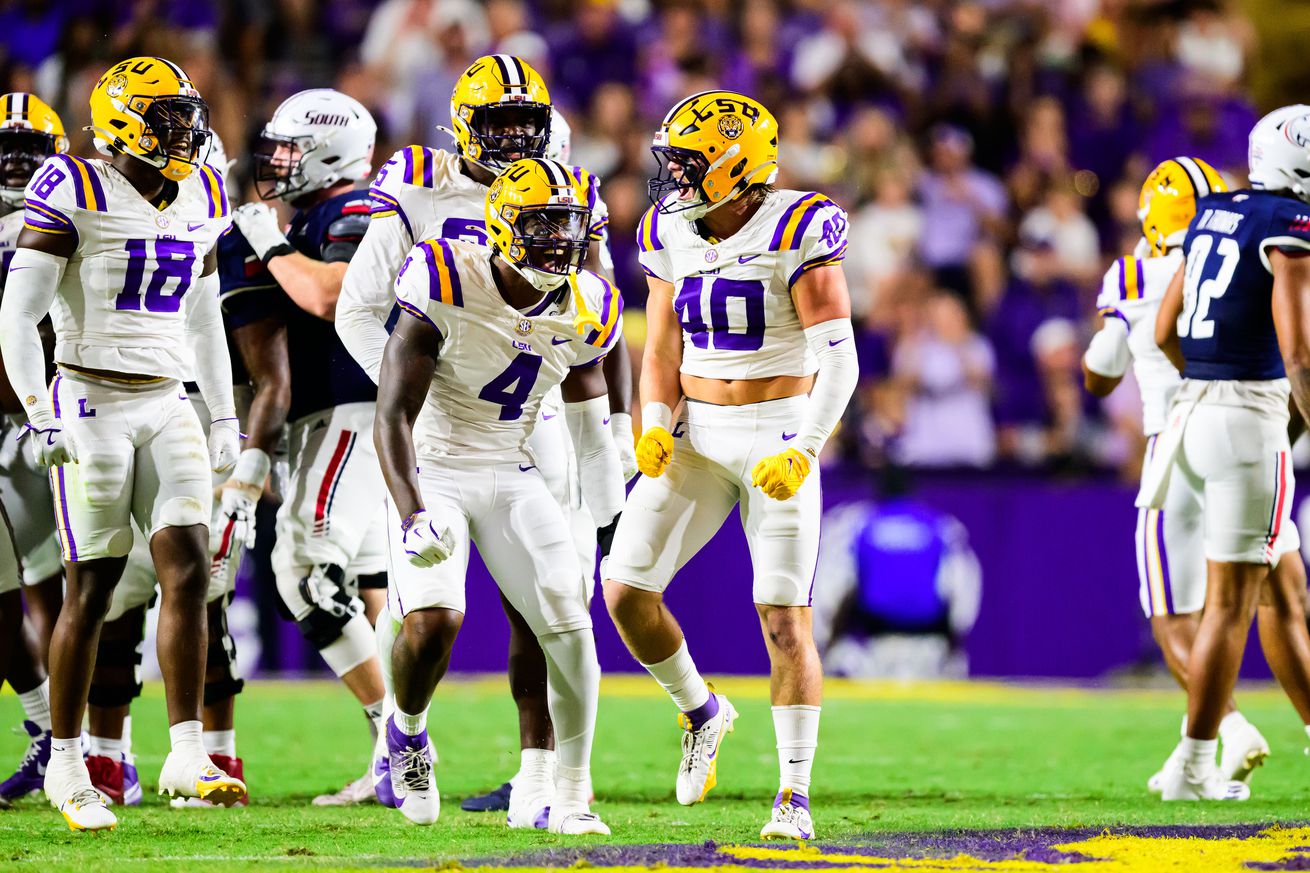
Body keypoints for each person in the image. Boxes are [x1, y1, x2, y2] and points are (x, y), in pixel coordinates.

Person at [338, 55, 634, 825]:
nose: (513, 136)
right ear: (462, 122)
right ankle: (402, 737)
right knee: (433, 606)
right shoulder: (420, 191)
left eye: (524, 122)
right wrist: (421, 395)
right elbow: (358, 310)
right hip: (434, 419)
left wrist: (613, 436)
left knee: (555, 600)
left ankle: (548, 780)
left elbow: (592, 321)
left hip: (529, 423)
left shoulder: (563, 188)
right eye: (496, 121)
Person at [604, 90, 858, 840]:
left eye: (688, 163)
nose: (673, 177)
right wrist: (654, 423)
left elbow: (839, 362)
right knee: (622, 590)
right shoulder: (669, 230)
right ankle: (701, 710)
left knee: (783, 617)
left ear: (736, 166)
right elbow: (658, 346)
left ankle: (793, 794)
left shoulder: (801, 225)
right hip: (698, 433)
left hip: (779, 428)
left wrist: (805, 448)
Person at [0, 57, 245, 830]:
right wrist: (41, 413)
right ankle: (67, 761)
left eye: (185, 113)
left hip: (168, 398)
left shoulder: (204, 187)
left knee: (188, 567)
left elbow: (204, 315)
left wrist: (222, 414)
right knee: (92, 585)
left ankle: (184, 748)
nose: (184, 129)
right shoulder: (72, 186)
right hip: (91, 398)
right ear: (123, 121)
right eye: (166, 115)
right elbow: (16, 314)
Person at [1083, 157, 1271, 792]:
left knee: (1173, 616)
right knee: (1253, 602)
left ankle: (1232, 728)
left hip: (1177, 440)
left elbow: (1099, 371)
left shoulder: (1134, 271)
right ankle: (1201, 758)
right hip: (1252, 430)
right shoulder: (1248, 252)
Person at [225, 88, 389, 805]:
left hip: (354, 409)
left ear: (328, 148)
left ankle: (400, 743)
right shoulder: (323, 213)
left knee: (305, 567)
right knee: (370, 588)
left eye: (290, 147)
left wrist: (267, 240)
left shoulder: (356, 210)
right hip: (348, 415)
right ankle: (397, 745)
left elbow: (330, 294)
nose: (279, 162)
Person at [80, 133, 251, 810]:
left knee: (201, 587)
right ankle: (101, 756)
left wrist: (229, 426)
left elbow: (227, 342)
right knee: (110, 592)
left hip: (188, 412)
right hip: (110, 403)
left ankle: (211, 751)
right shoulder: (102, 212)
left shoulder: (214, 221)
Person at [1150, 105, 1310, 801]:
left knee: (1284, 587)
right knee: (1229, 603)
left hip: (1192, 410)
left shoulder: (1215, 209)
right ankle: (1191, 764)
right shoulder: (1289, 223)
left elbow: (1164, 330)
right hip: (1247, 417)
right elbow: (1298, 345)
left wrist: (1212, 378)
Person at [0, 91, 66, 804]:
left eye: (30, 149)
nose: (16, 163)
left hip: (41, 419)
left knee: (52, 587)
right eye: (5, 148)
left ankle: (82, 744)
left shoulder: (59, 217)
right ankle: (49, 730)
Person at [812, 467, 980, 679]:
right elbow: (963, 588)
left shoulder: (858, 524)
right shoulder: (940, 526)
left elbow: (834, 588)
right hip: (932, 648)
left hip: (872, 650)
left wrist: (828, 643)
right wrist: (955, 645)